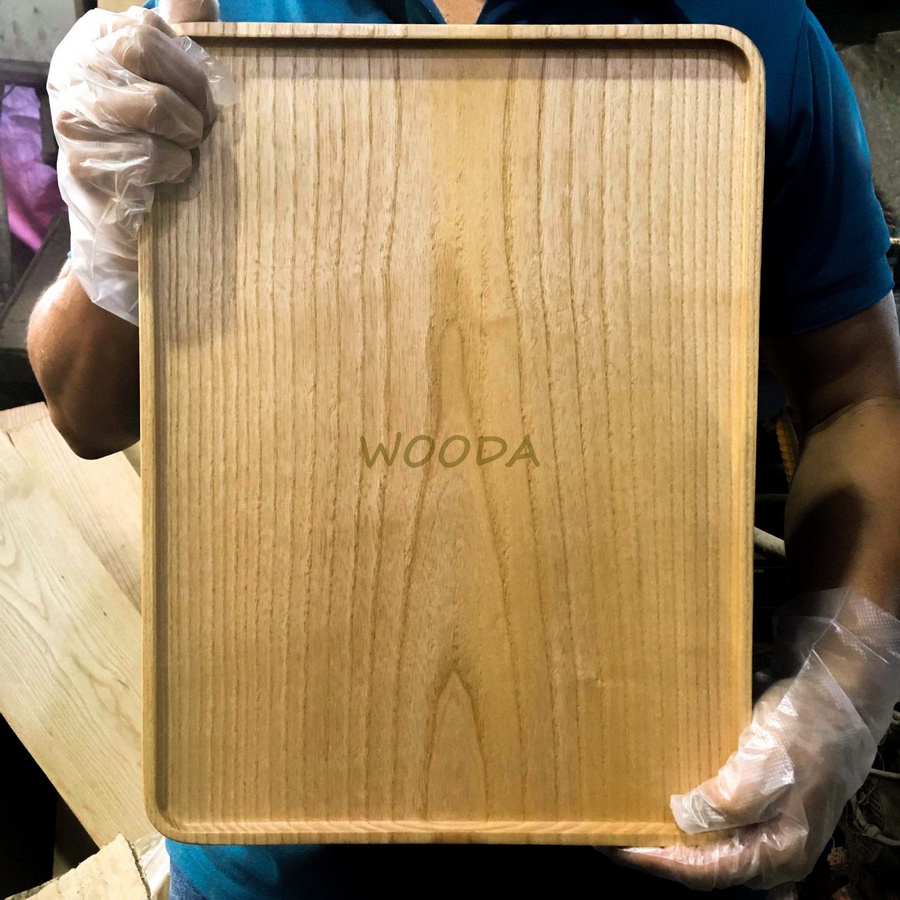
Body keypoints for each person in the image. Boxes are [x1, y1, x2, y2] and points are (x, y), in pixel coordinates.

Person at [31, 1, 900, 897]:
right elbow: (86, 416)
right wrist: (109, 241)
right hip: (269, 835)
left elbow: (859, 395)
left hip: (651, 819)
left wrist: (842, 683)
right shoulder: (209, 22)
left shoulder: (751, 35)